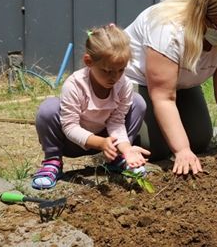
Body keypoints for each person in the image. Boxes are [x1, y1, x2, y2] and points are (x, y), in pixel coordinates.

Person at [124, 0, 217, 175]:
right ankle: (108, 133)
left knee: (199, 139)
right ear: (201, 16)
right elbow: (163, 97)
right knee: (153, 148)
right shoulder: (168, 30)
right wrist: (182, 151)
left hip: (182, 84)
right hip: (139, 81)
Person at [32, 24, 149, 190]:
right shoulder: (75, 84)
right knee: (48, 109)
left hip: (108, 142)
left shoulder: (123, 85)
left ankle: (119, 158)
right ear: (88, 61)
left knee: (138, 102)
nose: (114, 77)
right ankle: (52, 162)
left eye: (121, 70)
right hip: (72, 142)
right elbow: (70, 126)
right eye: (108, 71)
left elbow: (116, 122)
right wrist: (100, 143)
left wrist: (127, 149)